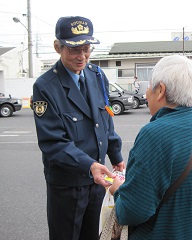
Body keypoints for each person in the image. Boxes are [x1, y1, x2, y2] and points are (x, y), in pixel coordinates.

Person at [109, 55, 192, 239]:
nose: (146, 94)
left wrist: (116, 190)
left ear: (160, 90)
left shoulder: (154, 134)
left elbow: (133, 212)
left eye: (149, 87)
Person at [31, 16, 125, 240]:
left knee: (92, 235)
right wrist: (90, 165)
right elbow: (52, 142)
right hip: (66, 184)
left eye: (86, 49)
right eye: (74, 50)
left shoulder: (96, 74)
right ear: (58, 47)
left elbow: (105, 118)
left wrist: (116, 154)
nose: (82, 56)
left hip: (97, 180)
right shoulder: (45, 87)